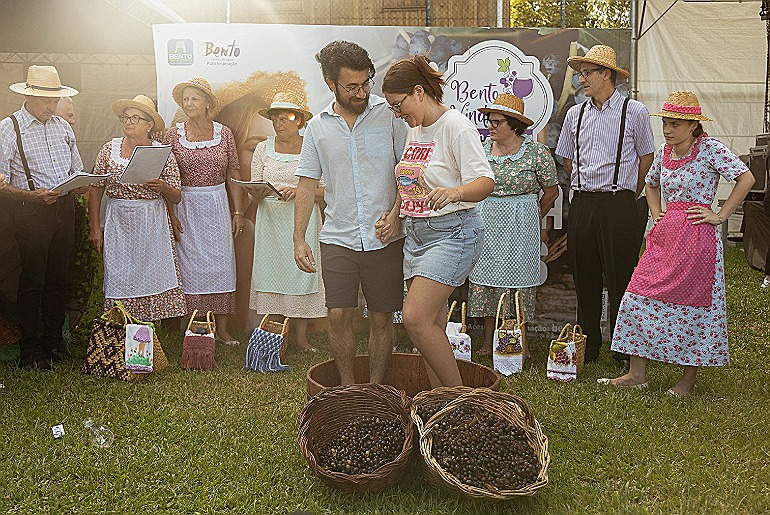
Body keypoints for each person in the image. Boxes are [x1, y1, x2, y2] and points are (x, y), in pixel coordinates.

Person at [599, 91, 754, 396]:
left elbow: (745, 178)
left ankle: (687, 381)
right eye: (666, 123)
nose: (668, 130)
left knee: (694, 306)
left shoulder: (710, 149)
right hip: (666, 235)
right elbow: (650, 183)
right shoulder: (664, 152)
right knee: (636, 296)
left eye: (675, 124)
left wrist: (720, 215)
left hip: (698, 237)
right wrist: (657, 214)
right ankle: (636, 374)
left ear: (693, 125)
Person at [294, 40, 408, 385]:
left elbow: (410, 169)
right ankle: (346, 387)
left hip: (385, 236)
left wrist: (397, 213)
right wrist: (299, 238)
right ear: (332, 83)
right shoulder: (317, 127)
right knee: (339, 313)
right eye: (351, 86)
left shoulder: (390, 115)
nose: (361, 93)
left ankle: (374, 388)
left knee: (381, 318)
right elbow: (305, 184)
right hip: (337, 237)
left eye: (366, 84)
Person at [379, 55, 495, 387]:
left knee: (415, 319)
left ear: (418, 91)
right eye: (392, 109)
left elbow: (485, 181)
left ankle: (458, 400)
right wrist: (395, 213)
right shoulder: (415, 129)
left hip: (452, 233)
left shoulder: (455, 126)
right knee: (431, 326)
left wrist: (455, 192)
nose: (398, 114)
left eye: (399, 105)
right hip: (416, 236)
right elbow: (411, 179)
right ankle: (439, 398)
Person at [555, 45, 655, 363]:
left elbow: (647, 157)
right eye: (580, 73)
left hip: (619, 203)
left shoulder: (634, 111)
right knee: (584, 276)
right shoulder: (575, 113)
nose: (581, 79)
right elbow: (567, 160)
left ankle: (623, 348)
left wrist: (629, 191)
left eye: (587, 73)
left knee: (620, 275)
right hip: (583, 202)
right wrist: (589, 184)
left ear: (606, 75)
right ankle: (589, 346)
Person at [0, 65, 82, 370]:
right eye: (46, 100)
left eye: (55, 99)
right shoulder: (9, 128)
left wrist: (83, 181)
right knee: (34, 280)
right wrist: (31, 196)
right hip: (31, 212)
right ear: (30, 96)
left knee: (58, 279)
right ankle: (31, 350)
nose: (52, 106)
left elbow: (75, 169)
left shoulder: (62, 127)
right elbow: (1, 183)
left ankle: (53, 344)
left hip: (64, 208)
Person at [468, 94, 559, 356]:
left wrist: (534, 215)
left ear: (514, 124)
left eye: (497, 122)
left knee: (519, 280)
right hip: (487, 220)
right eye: (489, 121)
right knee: (486, 278)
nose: (490, 126)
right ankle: (488, 341)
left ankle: (523, 343)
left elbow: (551, 191)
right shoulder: (482, 149)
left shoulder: (535, 153)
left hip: (522, 223)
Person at [88, 95, 187, 321]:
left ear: (149, 124)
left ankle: (147, 327)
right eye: (125, 117)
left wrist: (162, 187)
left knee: (152, 271)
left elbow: (177, 196)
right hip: (119, 220)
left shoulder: (162, 153)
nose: (128, 122)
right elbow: (95, 188)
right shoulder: (109, 150)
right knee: (119, 272)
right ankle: (119, 321)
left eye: (135, 117)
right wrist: (94, 227)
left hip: (151, 221)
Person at [164, 78, 243, 344]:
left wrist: (238, 211)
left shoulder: (225, 133)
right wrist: (170, 213)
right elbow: (165, 176)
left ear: (207, 103)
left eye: (194, 99)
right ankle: (194, 327)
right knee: (189, 266)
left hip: (217, 203)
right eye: (185, 99)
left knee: (222, 264)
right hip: (184, 203)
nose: (189, 104)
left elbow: (233, 173)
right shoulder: (173, 134)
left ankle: (222, 330)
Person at [249, 92, 326, 352]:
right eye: (275, 118)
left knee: (301, 272)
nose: (279, 123)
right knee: (271, 272)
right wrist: (261, 191)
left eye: (285, 118)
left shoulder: (312, 147)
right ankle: (272, 335)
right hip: (270, 219)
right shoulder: (262, 148)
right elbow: (255, 188)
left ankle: (302, 339)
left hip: (302, 218)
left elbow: (327, 190)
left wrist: (301, 191)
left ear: (299, 121)